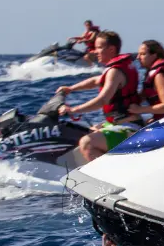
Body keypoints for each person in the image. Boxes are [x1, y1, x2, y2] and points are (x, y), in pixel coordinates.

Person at [57, 30, 142, 162]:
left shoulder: (115, 71)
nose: (95, 51)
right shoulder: (115, 69)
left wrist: (73, 110)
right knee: (82, 131)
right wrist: (70, 88)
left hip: (128, 128)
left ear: (111, 49)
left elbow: (103, 100)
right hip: (117, 123)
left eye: (99, 47)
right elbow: (96, 81)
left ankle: (107, 179)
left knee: (87, 142)